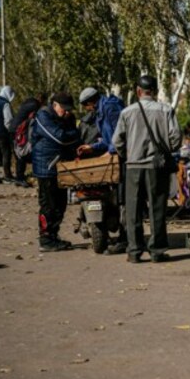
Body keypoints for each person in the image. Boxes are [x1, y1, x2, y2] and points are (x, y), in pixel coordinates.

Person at [113, 75, 181, 264]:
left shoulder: (127, 112)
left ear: (138, 91)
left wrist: (128, 154)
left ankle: (134, 251)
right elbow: (176, 138)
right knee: (157, 209)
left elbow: (117, 140)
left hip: (134, 166)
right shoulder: (166, 110)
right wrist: (165, 149)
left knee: (133, 209)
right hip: (156, 167)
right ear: (156, 91)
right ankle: (157, 251)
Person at [77, 87, 127, 255]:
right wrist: (92, 147)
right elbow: (107, 139)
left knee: (124, 201)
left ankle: (125, 238)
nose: (86, 109)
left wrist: (111, 151)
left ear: (91, 102)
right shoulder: (100, 111)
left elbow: (119, 133)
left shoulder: (110, 107)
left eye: (86, 105)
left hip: (123, 159)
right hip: (114, 158)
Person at [31, 92, 80, 252]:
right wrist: (78, 134)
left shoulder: (66, 118)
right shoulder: (43, 116)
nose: (66, 112)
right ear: (55, 105)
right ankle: (45, 239)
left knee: (61, 204)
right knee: (48, 205)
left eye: (69, 110)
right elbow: (60, 137)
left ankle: (53, 235)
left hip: (61, 167)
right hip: (47, 167)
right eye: (63, 109)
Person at [11, 94, 44, 187]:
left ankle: (19, 177)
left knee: (19, 155)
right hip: (21, 130)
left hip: (15, 129)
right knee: (23, 155)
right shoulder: (35, 105)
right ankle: (20, 178)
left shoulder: (28, 103)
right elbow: (33, 119)